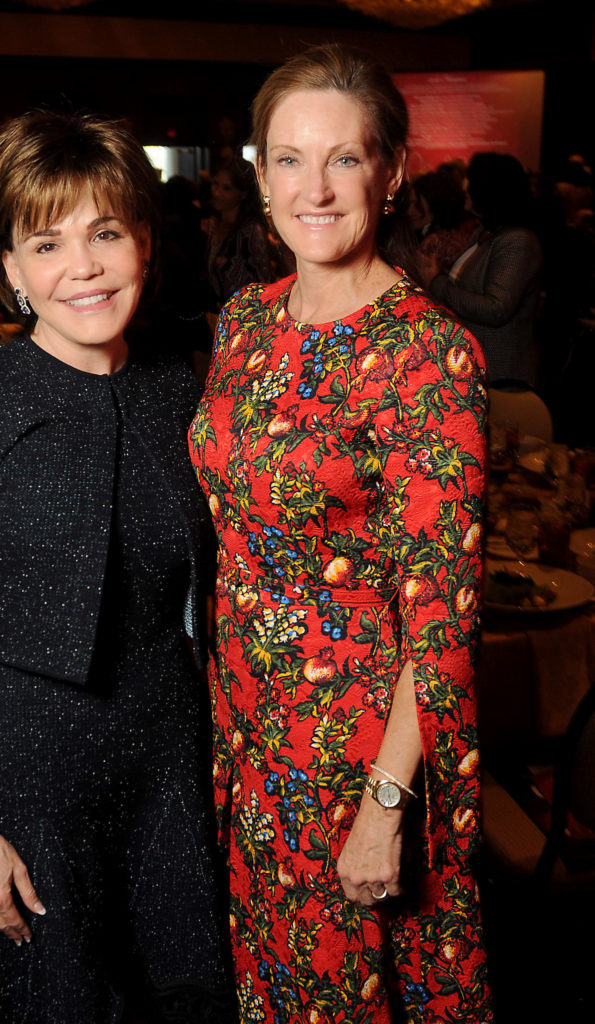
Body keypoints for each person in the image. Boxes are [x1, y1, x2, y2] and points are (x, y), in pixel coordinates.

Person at [0, 108, 235, 1024]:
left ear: (143, 244)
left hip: (168, 759)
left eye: (105, 233)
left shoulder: (182, 386)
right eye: (46, 244)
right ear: (9, 269)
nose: (82, 266)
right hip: (31, 772)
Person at [188, 43, 492, 1023]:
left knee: (339, 988)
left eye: (343, 159)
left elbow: (442, 615)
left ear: (390, 172)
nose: (312, 189)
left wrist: (385, 804)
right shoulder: (244, 321)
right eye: (288, 159)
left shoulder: (428, 355)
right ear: (259, 173)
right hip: (245, 715)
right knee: (269, 978)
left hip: (353, 743)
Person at [422, 151, 543, 387]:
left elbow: (495, 309)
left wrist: (436, 281)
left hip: (502, 375)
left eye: (471, 181)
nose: (464, 188)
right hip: (477, 366)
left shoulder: (517, 241)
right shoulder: (485, 233)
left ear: (489, 189)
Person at [204, 155, 282, 310]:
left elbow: (264, 282)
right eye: (215, 184)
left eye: (227, 188)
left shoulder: (250, 231)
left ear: (243, 194)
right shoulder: (214, 224)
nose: (217, 192)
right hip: (219, 313)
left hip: (244, 315)